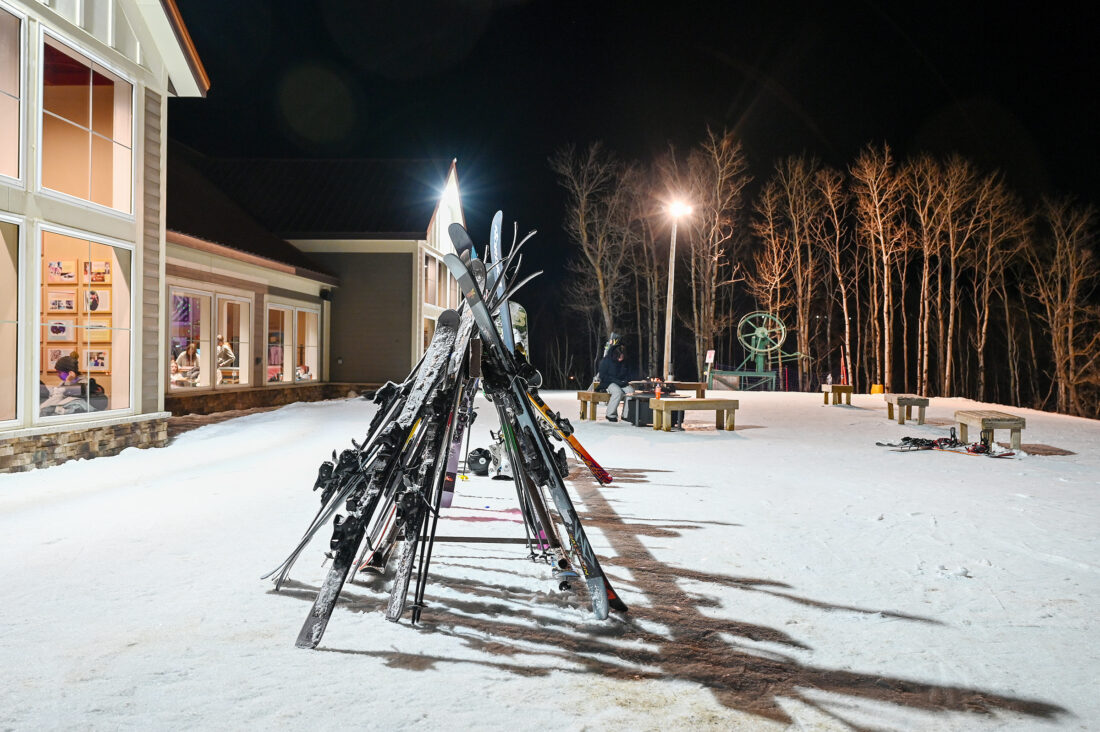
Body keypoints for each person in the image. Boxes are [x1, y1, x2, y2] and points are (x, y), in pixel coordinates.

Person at [596, 344, 634, 422]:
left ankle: (626, 415)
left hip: (620, 382)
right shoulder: (606, 361)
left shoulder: (624, 362)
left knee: (631, 391)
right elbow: (603, 376)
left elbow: (628, 373)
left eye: (622, 357)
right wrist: (617, 381)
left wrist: (625, 380)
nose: (620, 359)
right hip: (608, 383)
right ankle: (610, 414)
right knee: (618, 392)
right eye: (619, 357)